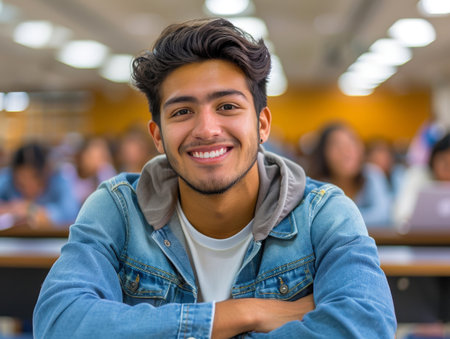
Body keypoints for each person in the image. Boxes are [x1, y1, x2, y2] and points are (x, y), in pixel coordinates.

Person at [33, 18, 396, 338]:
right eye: (183, 111)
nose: (206, 129)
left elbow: (367, 325)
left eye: (227, 107)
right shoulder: (118, 208)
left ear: (262, 123)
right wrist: (243, 313)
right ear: (157, 136)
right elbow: (58, 323)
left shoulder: (323, 213)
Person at [308, 123, 392, 227]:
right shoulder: (317, 186)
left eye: (352, 143)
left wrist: (341, 221)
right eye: (337, 146)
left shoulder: (372, 174)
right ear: (323, 153)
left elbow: (384, 215)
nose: (346, 151)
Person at [0, 142, 79, 228]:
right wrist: (12, 209)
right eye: (21, 184)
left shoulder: (59, 180)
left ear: (46, 172)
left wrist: (31, 209)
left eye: (35, 179)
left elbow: (70, 213)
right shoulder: (7, 178)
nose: (28, 189)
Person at [393, 132, 450, 226]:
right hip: (420, 238)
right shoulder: (417, 175)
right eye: (444, 161)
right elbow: (401, 215)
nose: (448, 168)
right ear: (433, 159)